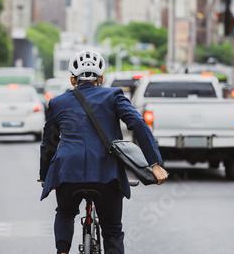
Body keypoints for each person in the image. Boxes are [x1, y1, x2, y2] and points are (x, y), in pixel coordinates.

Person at [39, 50, 168, 254]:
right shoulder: (114, 95)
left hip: (67, 173)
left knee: (64, 213)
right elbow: (138, 124)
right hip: (106, 175)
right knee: (112, 231)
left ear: (73, 78)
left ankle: (62, 252)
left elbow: (48, 144)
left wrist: (45, 175)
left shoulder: (57, 103)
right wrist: (155, 164)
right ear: (101, 78)